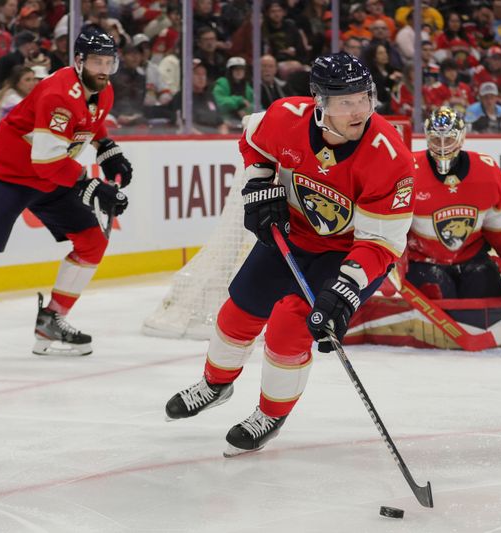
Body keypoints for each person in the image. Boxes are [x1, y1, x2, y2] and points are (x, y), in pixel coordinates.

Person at [164, 52, 415, 457]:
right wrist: (261, 184)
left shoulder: (390, 158)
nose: (358, 111)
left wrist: (345, 290)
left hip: (349, 254)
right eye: (344, 101)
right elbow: (252, 143)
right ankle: (215, 383)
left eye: (364, 98)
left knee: (289, 326)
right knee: (239, 308)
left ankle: (270, 414)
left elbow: (380, 243)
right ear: (319, 103)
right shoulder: (284, 117)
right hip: (293, 236)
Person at [0, 26, 133, 356]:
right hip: (9, 175)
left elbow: (90, 120)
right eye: (97, 62)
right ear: (78, 61)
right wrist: (93, 186)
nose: (104, 70)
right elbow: (46, 161)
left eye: (109, 63)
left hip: (50, 178)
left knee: (93, 241)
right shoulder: (57, 95)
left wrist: (107, 147)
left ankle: (51, 321)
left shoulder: (101, 89)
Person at [403, 107, 501, 334]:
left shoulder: (487, 172)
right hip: (424, 261)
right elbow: (392, 224)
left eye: (448, 138)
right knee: (438, 293)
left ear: (461, 137)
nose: (441, 145)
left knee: (484, 289)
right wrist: (393, 264)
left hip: (472, 258)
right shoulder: (409, 170)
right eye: (435, 139)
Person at [213, 55, 253, 132]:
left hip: (244, 123)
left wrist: (246, 111)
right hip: (225, 122)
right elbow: (218, 101)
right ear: (230, 71)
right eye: (235, 69)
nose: (239, 72)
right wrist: (239, 101)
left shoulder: (247, 87)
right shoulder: (222, 84)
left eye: (241, 69)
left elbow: (255, 105)